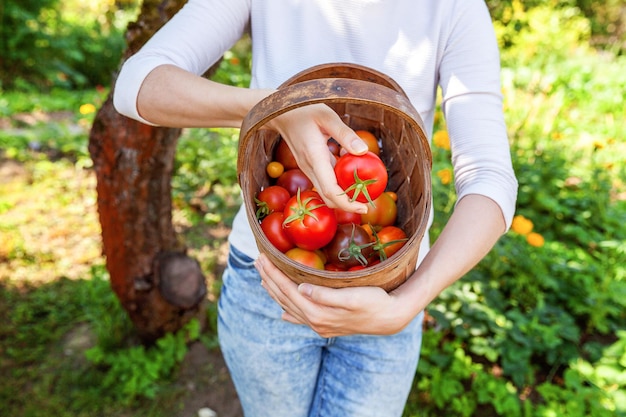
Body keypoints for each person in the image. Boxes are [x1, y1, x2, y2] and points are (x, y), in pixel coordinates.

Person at [113, 1, 518, 416]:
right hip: (269, 285)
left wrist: (407, 304)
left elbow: (491, 179)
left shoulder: (454, 9)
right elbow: (136, 85)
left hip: (388, 289)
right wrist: (276, 107)